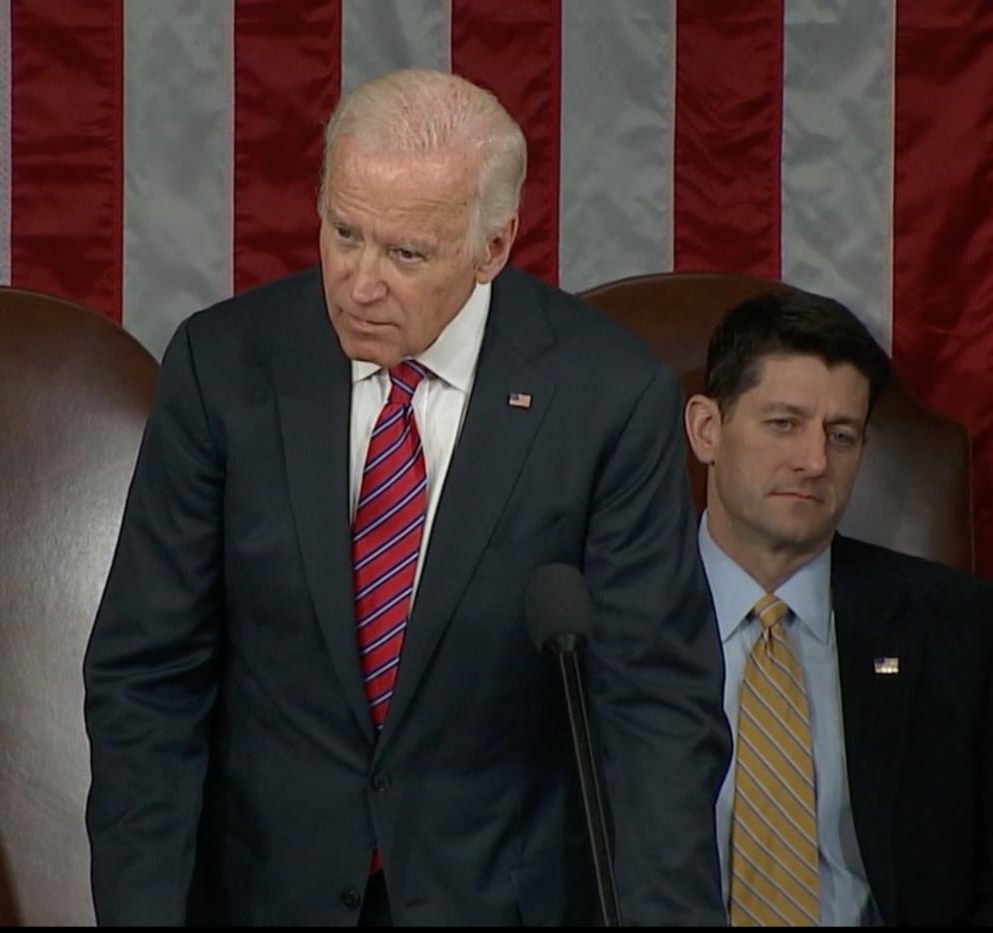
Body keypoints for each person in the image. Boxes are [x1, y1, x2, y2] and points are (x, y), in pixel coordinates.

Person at [83, 67, 730, 926]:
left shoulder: (605, 399)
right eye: (343, 232)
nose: (359, 282)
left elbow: (655, 711)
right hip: (267, 894)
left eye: (406, 253)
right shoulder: (225, 369)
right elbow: (147, 678)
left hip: (503, 897)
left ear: (491, 247)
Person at [683, 289, 993, 926]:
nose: (815, 461)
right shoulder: (600, 626)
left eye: (841, 435)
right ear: (707, 430)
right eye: (784, 423)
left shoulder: (959, 629)